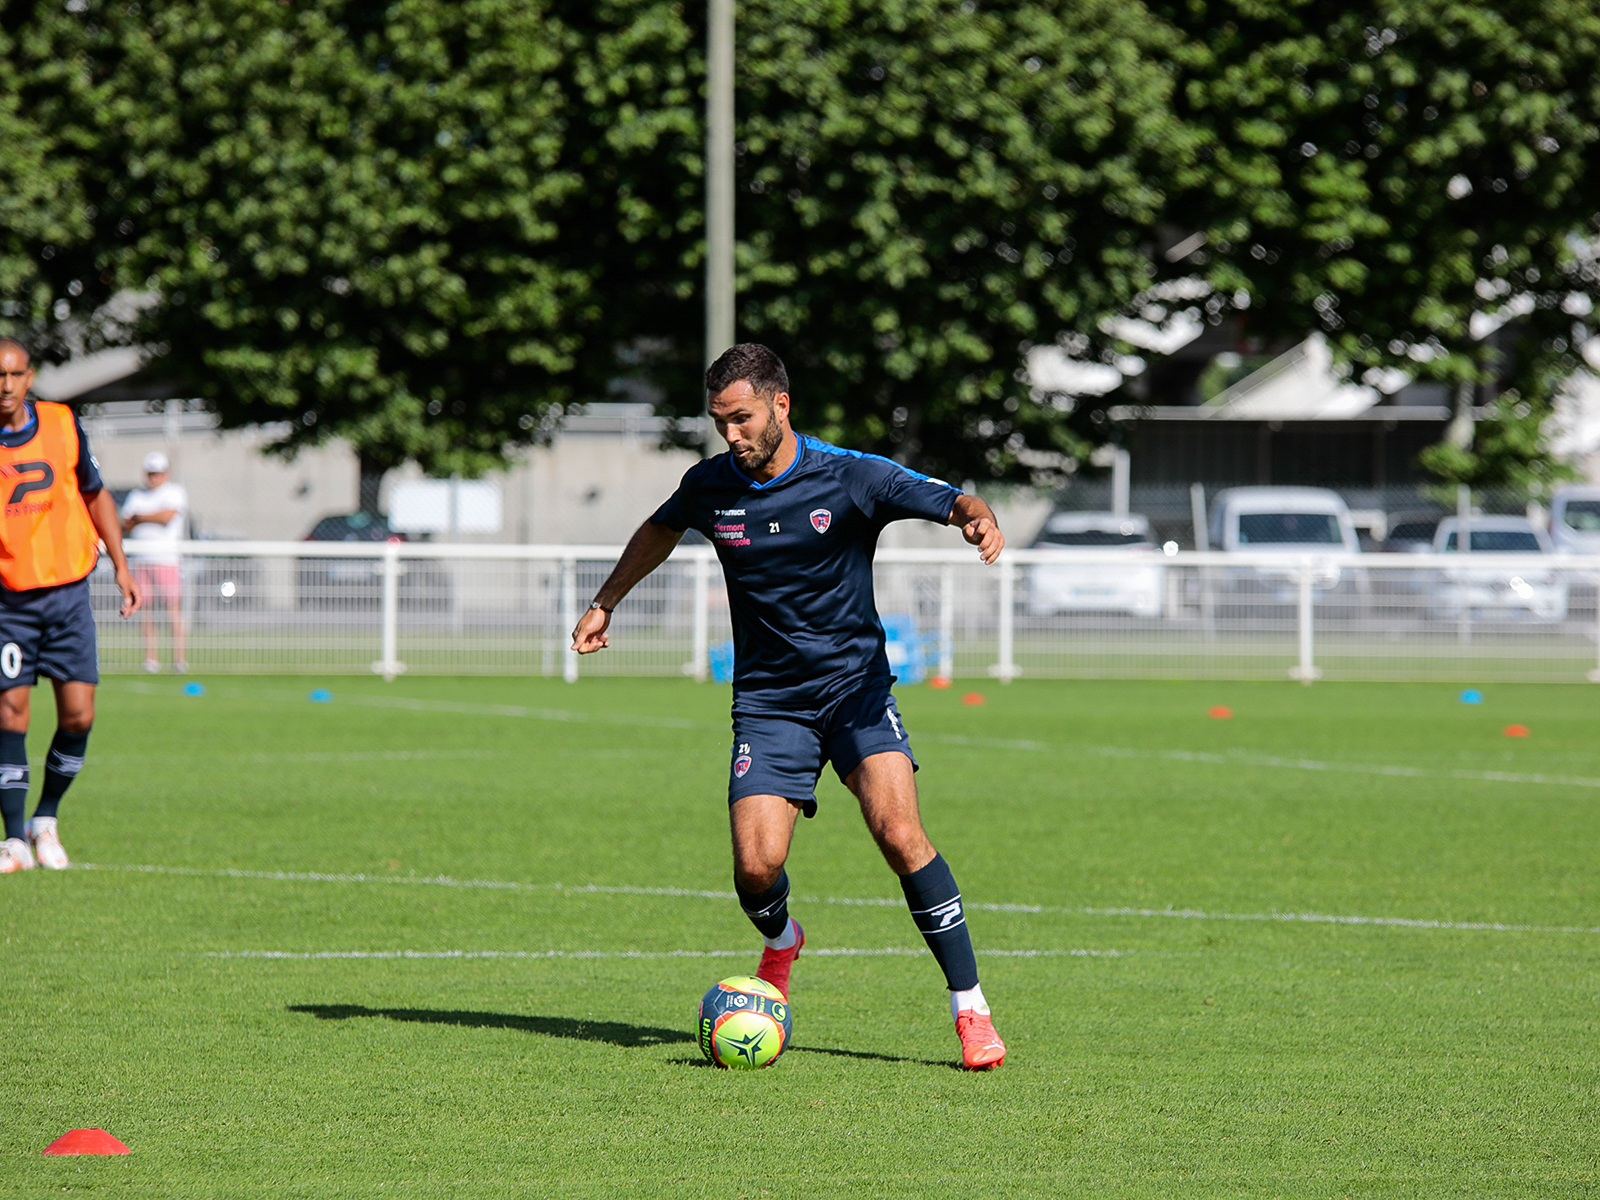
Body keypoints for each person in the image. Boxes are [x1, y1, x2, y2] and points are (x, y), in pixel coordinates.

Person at [571, 343, 1010, 1069]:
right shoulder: (711, 484)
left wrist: (977, 518)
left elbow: (950, 495)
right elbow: (660, 527)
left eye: (741, 419)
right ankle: (781, 942)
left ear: (780, 405)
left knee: (900, 835)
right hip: (771, 705)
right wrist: (604, 602)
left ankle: (971, 1010)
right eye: (721, 423)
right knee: (754, 868)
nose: (732, 436)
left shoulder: (849, 476)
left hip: (856, 691)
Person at [0, 338, 141, 873]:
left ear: (29, 377)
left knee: (79, 716)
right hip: (9, 602)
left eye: (14, 374)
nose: (6, 385)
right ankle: (13, 840)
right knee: (11, 714)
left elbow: (95, 492)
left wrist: (122, 566)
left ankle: (46, 818)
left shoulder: (61, 423)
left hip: (67, 595)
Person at [120, 450, 189, 673]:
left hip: (166, 558)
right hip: (141, 559)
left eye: (158, 473)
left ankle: (179, 659)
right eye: (151, 473)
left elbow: (166, 517)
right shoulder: (137, 495)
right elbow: (126, 522)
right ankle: (151, 660)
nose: (154, 477)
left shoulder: (174, 492)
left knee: (172, 609)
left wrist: (141, 517)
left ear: (166, 473)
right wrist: (143, 518)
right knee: (145, 609)